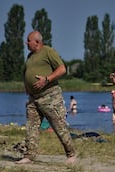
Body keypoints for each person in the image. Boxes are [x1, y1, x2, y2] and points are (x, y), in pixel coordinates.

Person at [16, 30, 77, 164]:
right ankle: (29, 156)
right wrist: (27, 85)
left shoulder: (48, 51)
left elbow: (62, 69)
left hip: (50, 96)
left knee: (59, 126)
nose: (26, 42)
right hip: (34, 98)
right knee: (31, 127)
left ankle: (71, 154)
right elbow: (25, 72)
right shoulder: (30, 56)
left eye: (28, 40)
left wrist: (47, 79)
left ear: (37, 42)